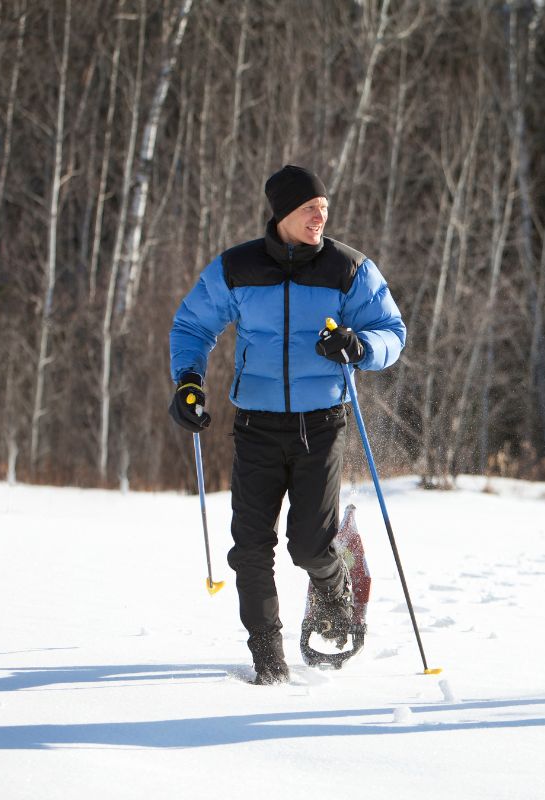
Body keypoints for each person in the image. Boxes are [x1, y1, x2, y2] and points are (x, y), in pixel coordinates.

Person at [169, 165, 406, 685]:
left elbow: (392, 331)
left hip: (320, 424)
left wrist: (359, 346)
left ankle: (337, 581)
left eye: (324, 208)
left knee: (308, 545)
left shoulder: (349, 270)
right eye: (308, 209)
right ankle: (267, 661)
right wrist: (188, 380)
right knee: (249, 548)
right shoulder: (238, 267)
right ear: (282, 214)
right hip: (255, 424)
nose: (320, 217)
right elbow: (192, 324)